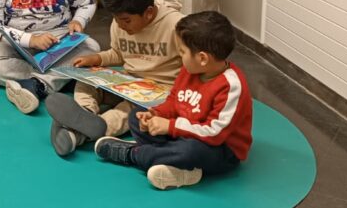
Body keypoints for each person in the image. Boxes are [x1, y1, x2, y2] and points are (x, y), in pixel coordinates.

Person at [94, 11, 253, 191]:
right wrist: (155, 114)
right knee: (135, 117)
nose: (179, 55)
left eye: (182, 51)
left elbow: (214, 133)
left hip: (219, 149)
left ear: (202, 58)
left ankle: (134, 154)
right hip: (183, 133)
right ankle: (173, 162)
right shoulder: (189, 70)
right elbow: (173, 101)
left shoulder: (231, 85)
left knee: (190, 151)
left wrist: (169, 126)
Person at [44, 0, 185, 156]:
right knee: (87, 82)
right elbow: (118, 54)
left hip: (160, 92)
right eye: (116, 19)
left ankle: (82, 131)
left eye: (126, 21)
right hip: (128, 82)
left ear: (149, 13)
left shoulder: (176, 26)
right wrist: (96, 59)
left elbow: (194, 66)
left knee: (130, 111)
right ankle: (85, 113)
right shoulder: (120, 21)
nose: (120, 25)